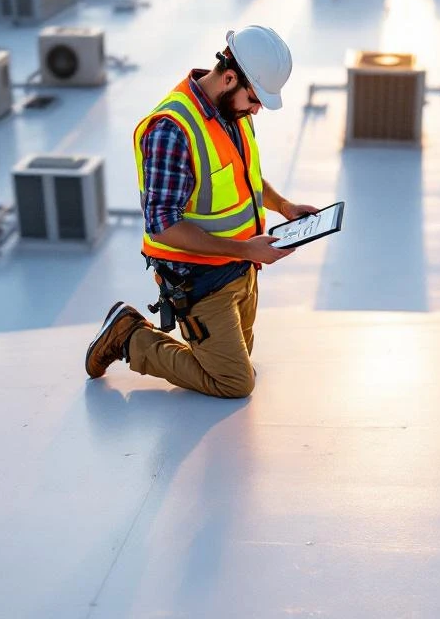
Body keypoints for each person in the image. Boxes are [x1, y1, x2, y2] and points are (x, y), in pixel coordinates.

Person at [84, 25, 317, 398]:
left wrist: (283, 205)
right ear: (229, 78)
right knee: (234, 382)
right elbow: (162, 226)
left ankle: (204, 342)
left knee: (239, 359)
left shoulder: (233, 112)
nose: (258, 109)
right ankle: (129, 335)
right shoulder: (171, 130)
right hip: (201, 280)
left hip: (243, 268)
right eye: (256, 99)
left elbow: (246, 176)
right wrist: (245, 249)